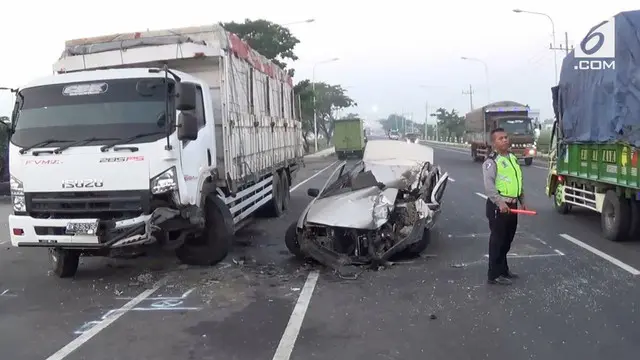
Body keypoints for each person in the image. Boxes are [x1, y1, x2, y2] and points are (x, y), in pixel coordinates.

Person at [482, 127, 527, 285]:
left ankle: (503, 269)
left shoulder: (512, 158)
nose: (505, 140)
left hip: (512, 206)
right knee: (498, 240)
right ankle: (493, 275)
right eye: (500, 138)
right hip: (498, 207)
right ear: (494, 143)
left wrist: (522, 201)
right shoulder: (491, 161)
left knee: (508, 239)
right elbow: (489, 187)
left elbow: (517, 181)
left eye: (506, 137)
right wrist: (500, 203)